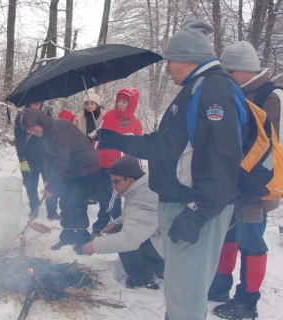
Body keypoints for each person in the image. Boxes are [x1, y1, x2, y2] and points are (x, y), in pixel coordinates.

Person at [97, 19, 247, 320]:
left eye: (170, 61)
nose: (166, 68)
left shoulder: (213, 90)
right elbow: (164, 146)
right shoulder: (195, 89)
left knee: (187, 294)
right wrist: (116, 139)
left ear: (187, 59)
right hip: (182, 204)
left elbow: (221, 159)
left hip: (194, 209)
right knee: (180, 292)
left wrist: (197, 213)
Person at [210, 41, 283, 320]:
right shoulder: (241, 92)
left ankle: (247, 301)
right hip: (236, 183)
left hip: (258, 187)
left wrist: (252, 182)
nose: (224, 75)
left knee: (251, 241)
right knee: (228, 233)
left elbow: (275, 148)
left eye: (227, 70)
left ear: (240, 69)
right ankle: (219, 286)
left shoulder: (271, 96)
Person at [20, 108, 100, 253]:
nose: (32, 132)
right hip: (70, 170)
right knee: (64, 202)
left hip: (85, 168)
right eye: (29, 131)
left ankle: (83, 240)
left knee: (76, 204)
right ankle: (67, 237)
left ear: (40, 122)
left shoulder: (59, 128)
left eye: (33, 128)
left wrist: (52, 186)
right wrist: (47, 180)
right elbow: (48, 158)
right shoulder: (45, 134)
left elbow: (61, 160)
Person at [81, 156, 163, 290]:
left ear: (130, 179)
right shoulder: (141, 187)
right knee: (119, 228)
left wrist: (94, 246)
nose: (112, 185)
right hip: (161, 238)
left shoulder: (143, 198)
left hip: (167, 246)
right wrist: (116, 222)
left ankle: (143, 279)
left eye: (116, 181)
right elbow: (133, 216)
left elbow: (128, 240)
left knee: (122, 234)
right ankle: (155, 265)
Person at [92, 87, 143, 237]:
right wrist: (95, 138)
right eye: (119, 101)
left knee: (108, 200)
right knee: (106, 198)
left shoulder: (134, 124)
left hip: (118, 171)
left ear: (131, 104)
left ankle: (98, 229)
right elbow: (99, 135)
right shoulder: (108, 115)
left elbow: (137, 148)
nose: (120, 104)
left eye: (124, 102)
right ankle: (119, 226)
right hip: (101, 165)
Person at [14, 101, 59, 220]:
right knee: (30, 185)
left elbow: (52, 135)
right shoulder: (21, 116)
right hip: (29, 157)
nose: (37, 104)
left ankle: (52, 210)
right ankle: (34, 208)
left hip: (46, 157)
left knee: (50, 183)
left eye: (40, 101)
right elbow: (18, 139)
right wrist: (22, 158)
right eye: (34, 101)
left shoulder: (47, 113)